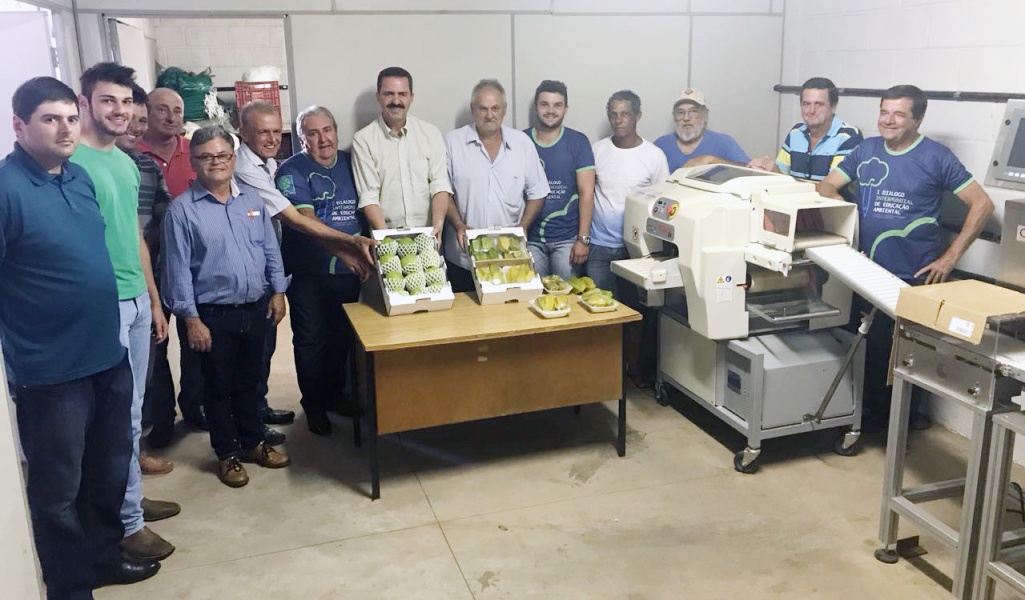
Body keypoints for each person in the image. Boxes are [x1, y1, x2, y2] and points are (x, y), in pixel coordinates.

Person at [1, 76, 160, 599]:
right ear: (20, 125)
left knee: (108, 470)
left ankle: (104, 558)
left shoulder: (78, 178)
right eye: (51, 118)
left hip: (105, 354)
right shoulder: (6, 190)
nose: (65, 127)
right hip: (52, 372)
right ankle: (70, 589)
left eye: (71, 117)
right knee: (58, 491)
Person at [816, 84, 995, 431]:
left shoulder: (936, 157)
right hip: (864, 271)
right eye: (884, 112)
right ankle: (860, 419)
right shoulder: (865, 150)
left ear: (918, 118)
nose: (888, 120)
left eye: (899, 114)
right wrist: (846, 216)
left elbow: (982, 204)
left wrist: (949, 259)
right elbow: (826, 186)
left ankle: (896, 429)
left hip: (911, 278)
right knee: (859, 346)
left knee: (898, 357)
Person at [70, 62, 177, 563]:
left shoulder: (125, 163)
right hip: (100, 306)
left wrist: (153, 301)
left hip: (135, 301)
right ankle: (124, 524)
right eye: (107, 100)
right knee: (109, 419)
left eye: (125, 101)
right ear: (84, 101)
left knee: (131, 411)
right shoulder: (72, 164)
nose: (119, 110)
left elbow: (135, 238)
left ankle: (130, 503)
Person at [162, 126, 292, 488]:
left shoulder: (251, 201)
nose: (215, 162)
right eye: (206, 156)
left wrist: (278, 291)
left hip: (256, 308)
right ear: (194, 162)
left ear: (233, 158)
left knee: (250, 382)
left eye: (222, 155)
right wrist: (191, 319)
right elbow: (177, 272)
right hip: (212, 316)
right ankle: (228, 454)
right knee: (218, 388)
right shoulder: (182, 211)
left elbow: (270, 250)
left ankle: (253, 443)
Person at [275, 106, 364, 435]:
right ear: (301, 139)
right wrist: (346, 251)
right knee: (311, 341)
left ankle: (333, 395)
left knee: (341, 338)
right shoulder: (290, 170)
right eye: (312, 133)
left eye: (327, 129)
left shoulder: (352, 163)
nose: (322, 138)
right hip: (309, 273)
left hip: (351, 273)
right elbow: (307, 223)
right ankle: (313, 404)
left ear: (336, 130)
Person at [136, 86, 207, 436]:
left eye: (177, 111)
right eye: (161, 110)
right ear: (146, 112)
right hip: (151, 264)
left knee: (197, 336)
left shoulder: (195, 153)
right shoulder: (134, 156)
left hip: (195, 266)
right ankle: (161, 418)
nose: (170, 117)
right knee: (156, 340)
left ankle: (196, 405)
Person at [114, 83, 177, 475]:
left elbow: (160, 217)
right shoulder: (83, 164)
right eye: (132, 119)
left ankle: (142, 447)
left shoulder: (145, 167)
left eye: (139, 120)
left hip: (149, 276)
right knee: (119, 384)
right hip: (111, 290)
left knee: (150, 365)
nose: (135, 128)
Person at [590, 90, 670, 389]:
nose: (618, 120)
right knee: (601, 313)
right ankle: (603, 375)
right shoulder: (597, 150)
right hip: (599, 245)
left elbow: (662, 205)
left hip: (636, 251)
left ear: (637, 115)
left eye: (624, 114)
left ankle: (635, 369)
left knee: (635, 314)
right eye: (613, 113)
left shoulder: (653, 157)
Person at [444, 79, 550, 291]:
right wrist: (458, 224)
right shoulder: (452, 142)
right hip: (464, 257)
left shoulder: (522, 144)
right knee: (466, 320)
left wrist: (523, 226)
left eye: (495, 108)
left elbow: (538, 193)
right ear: (473, 110)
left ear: (504, 110)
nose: (489, 115)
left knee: (508, 319)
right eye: (483, 108)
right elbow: (442, 192)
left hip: (509, 256)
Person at [352, 66, 453, 239]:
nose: (396, 100)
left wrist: (438, 226)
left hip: (429, 236)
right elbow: (369, 196)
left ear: (411, 97)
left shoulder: (430, 134)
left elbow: (439, 184)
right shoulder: (363, 140)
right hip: (387, 237)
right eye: (389, 94)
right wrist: (386, 238)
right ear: (378, 96)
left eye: (402, 94)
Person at [524, 80, 595, 280]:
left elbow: (587, 193)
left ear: (565, 108)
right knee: (532, 300)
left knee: (567, 301)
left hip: (568, 242)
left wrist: (583, 240)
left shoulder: (578, 142)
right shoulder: (521, 141)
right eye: (544, 104)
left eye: (557, 105)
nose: (551, 110)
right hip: (530, 240)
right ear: (536, 107)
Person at [748, 77, 863, 185]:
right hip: (796, 203)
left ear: (833, 107)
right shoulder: (796, 132)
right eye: (806, 104)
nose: (811, 111)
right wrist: (767, 170)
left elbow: (828, 188)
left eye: (819, 104)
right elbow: (782, 177)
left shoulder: (849, 136)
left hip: (831, 205)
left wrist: (778, 175)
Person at [653, 89, 749, 172]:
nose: (686, 118)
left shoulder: (723, 142)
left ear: (705, 115)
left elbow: (750, 171)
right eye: (680, 113)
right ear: (674, 117)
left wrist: (713, 160)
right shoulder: (661, 145)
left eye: (694, 112)